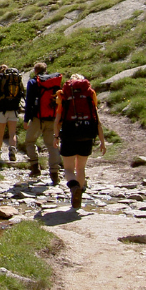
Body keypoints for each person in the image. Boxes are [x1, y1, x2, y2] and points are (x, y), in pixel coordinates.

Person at [53, 74, 107, 209]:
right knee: (81, 168)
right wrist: (102, 141)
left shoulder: (63, 94)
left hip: (69, 134)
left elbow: (57, 121)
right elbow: (97, 121)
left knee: (69, 169)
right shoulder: (90, 94)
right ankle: (79, 195)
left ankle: (74, 188)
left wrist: (56, 137)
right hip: (87, 134)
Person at [23, 62, 62, 184]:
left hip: (37, 118)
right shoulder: (54, 81)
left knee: (30, 141)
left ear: (35, 71)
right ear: (46, 70)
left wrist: (26, 119)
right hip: (52, 118)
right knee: (52, 145)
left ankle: (35, 167)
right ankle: (54, 174)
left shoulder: (33, 82)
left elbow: (29, 102)